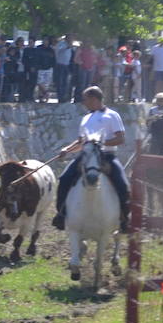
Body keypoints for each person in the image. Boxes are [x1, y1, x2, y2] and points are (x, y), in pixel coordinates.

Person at [51, 86, 130, 233]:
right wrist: (67, 150)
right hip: (86, 155)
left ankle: (124, 219)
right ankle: (61, 215)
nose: (83, 102)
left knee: (123, 184)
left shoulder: (112, 115)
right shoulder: (86, 118)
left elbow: (120, 138)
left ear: (94, 99)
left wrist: (100, 144)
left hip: (106, 156)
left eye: (85, 99)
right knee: (64, 179)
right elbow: (81, 142)